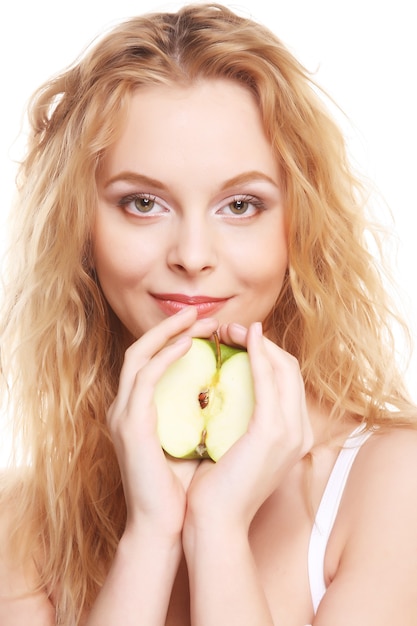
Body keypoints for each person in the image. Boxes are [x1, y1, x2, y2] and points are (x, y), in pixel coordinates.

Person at [1, 2, 416, 624]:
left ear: (297, 227)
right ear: (81, 229)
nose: (193, 256)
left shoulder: (391, 486)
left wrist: (218, 531)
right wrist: (152, 533)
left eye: (241, 205)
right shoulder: (22, 522)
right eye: (143, 202)